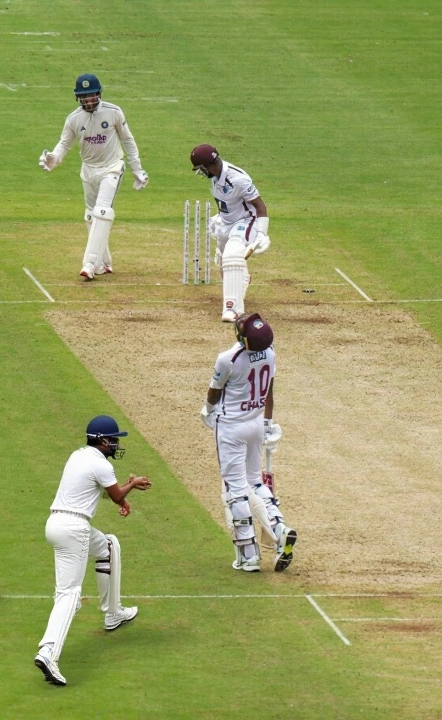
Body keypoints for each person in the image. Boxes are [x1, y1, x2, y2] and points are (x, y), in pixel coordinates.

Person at [34, 415, 151, 687]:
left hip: (55, 523)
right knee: (70, 595)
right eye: (112, 440)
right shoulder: (101, 464)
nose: (115, 444)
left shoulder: (77, 456)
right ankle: (48, 652)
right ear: (101, 440)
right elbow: (116, 495)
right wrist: (132, 485)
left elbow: (90, 490)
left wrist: (121, 494)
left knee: (108, 546)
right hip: (75, 528)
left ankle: (113, 613)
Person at [199, 313, 297, 571]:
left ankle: (249, 555)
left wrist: (208, 410)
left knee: (236, 490)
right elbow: (269, 392)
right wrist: (267, 424)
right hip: (255, 423)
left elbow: (214, 390)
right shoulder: (271, 354)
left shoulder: (227, 359)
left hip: (231, 427)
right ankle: (279, 526)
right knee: (255, 482)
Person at [40, 74, 149, 280]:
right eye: (83, 97)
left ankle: (90, 263)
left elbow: (128, 140)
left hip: (112, 167)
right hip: (88, 170)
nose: (88, 101)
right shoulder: (74, 119)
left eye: (91, 96)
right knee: (91, 216)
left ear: (99, 94)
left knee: (102, 210)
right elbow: (64, 143)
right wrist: (53, 158)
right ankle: (105, 263)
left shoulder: (113, 112)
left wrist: (137, 169)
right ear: (78, 98)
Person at [190, 145, 271, 322]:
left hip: (245, 221)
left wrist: (262, 234)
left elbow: (260, 207)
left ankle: (233, 309)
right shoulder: (216, 175)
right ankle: (241, 278)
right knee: (223, 260)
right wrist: (220, 218)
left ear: (207, 166)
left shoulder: (238, 180)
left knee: (232, 254)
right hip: (226, 222)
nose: (201, 173)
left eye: (200, 169)